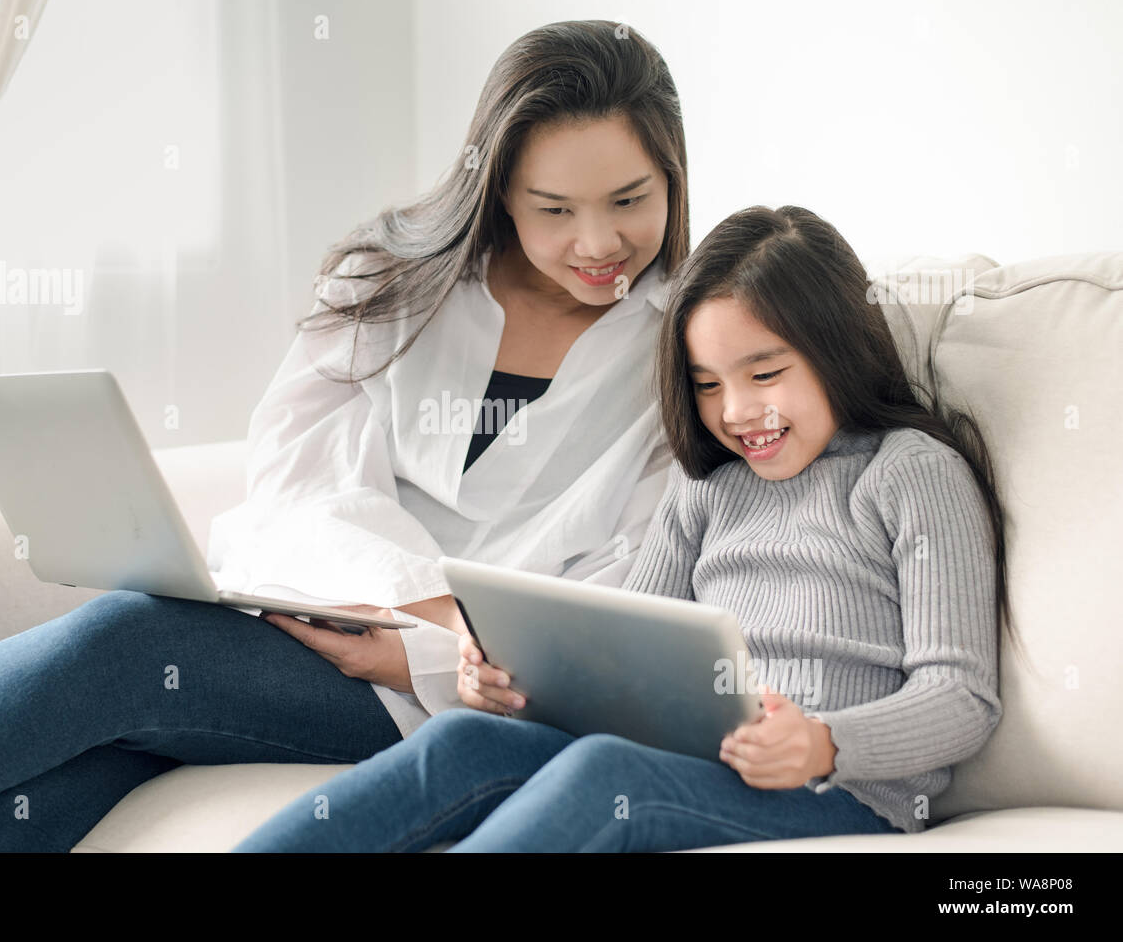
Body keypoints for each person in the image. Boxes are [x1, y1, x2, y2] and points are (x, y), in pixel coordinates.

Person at [0, 20, 691, 853]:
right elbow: (295, 479)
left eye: (628, 201)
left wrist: (418, 654)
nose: (597, 242)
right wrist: (421, 607)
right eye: (554, 208)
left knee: (127, 642)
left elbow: (632, 584)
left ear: (673, 180)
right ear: (500, 188)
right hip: (315, 607)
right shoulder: (394, 279)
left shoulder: (688, 348)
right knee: (95, 745)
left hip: (449, 692)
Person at [233, 204, 1026, 853]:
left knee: (604, 774)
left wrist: (824, 743)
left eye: (765, 373)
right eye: (708, 384)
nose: (736, 411)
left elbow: (961, 698)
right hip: (685, 762)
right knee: (458, 744)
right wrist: (504, 684)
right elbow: (617, 655)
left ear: (838, 349)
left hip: (838, 795)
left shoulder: (910, 472)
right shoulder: (707, 485)